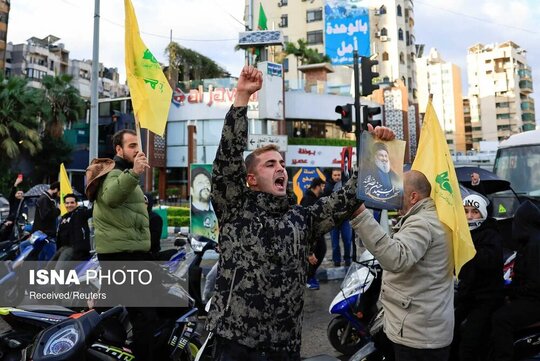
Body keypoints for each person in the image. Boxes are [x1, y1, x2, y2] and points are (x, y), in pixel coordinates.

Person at [206, 65, 395, 360]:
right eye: (270, 164)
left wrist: (378, 151)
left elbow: (346, 199)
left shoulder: (301, 218)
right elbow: (227, 160)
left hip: (286, 346)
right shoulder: (235, 209)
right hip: (236, 343)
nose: (280, 167)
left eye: (281, 163)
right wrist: (242, 97)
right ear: (251, 179)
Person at [351, 170, 454, 360]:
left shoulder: (422, 223)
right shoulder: (431, 217)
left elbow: (395, 257)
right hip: (421, 330)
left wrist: (361, 216)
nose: (394, 197)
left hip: (418, 338)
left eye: (398, 191)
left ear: (413, 196)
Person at [86, 129, 155, 360]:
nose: (138, 150)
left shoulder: (123, 173)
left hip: (127, 254)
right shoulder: (113, 172)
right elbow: (112, 197)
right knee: (144, 315)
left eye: (138, 145)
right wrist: (135, 172)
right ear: (119, 149)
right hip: (124, 256)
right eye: (132, 145)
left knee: (108, 312)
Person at [453, 194, 504, 361]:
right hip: (466, 295)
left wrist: (469, 250)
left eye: (474, 212)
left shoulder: (491, 234)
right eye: (466, 211)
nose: (469, 216)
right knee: (449, 334)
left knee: (470, 340)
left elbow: (489, 261)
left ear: (483, 214)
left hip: (486, 298)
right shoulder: (463, 233)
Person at [490, 200, 540, 361]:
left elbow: (534, 284)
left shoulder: (534, 246)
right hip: (529, 298)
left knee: (501, 319)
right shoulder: (530, 242)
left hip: (534, 302)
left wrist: (510, 292)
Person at [300, 177, 327, 290]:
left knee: (321, 251)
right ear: (317, 186)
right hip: (311, 233)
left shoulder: (316, 197)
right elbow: (307, 221)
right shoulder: (307, 199)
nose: (323, 188)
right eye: (322, 186)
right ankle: (308, 278)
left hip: (317, 232)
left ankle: (310, 276)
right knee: (313, 255)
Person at [324, 168, 353, 267]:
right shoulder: (327, 187)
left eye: (338, 175)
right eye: (335, 175)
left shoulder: (345, 184)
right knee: (335, 243)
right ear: (332, 176)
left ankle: (348, 259)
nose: (337, 177)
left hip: (345, 218)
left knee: (347, 241)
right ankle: (336, 261)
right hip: (333, 219)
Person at [55, 193, 93, 262]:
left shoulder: (80, 213)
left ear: (76, 204)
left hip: (76, 250)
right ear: (64, 204)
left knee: (58, 271)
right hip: (62, 249)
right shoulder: (64, 217)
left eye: (72, 203)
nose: (69, 205)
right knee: (48, 268)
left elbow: (92, 211)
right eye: (67, 203)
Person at [29, 181, 60, 262]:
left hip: (44, 235)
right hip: (45, 236)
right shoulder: (44, 199)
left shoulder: (47, 199)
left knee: (43, 260)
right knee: (49, 261)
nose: (59, 195)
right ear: (56, 189)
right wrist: (58, 210)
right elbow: (46, 216)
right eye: (59, 193)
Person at [190, 166, 218, 242]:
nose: (205, 186)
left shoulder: (216, 213)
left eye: (207, 182)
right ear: (191, 190)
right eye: (200, 183)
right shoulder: (193, 216)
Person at [145, 192, 163, 260]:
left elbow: (153, 240)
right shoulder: (137, 216)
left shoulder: (155, 218)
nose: (143, 205)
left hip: (151, 254)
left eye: (145, 203)